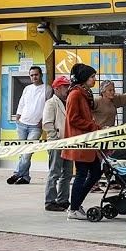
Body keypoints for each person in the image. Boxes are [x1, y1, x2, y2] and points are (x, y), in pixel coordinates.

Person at [62, 64, 102, 220]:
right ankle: (74, 208)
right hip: (80, 141)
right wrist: (94, 126)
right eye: (92, 77)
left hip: (87, 141)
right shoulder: (75, 94)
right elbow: (73, 119)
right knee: (82, 174)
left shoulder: (84, 93)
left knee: (95, 172)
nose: (94, 79)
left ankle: (76, 204)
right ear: (84, 78)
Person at [8, 66, 48, 185]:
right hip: (22, 124)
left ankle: (17, 174)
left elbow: (48, 106)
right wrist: (18, 116)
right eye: (31, 75)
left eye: (36, 74)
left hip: (35, 127)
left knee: (27, 153)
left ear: (41, 75)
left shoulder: (47, 89)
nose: (34, 77)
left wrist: (43, 120)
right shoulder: (27, 88)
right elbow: (22, 103)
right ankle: (25, 178)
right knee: (22, 152)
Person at [43, 76, 73, 213]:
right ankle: (50, 201)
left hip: (68, 143)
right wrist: (55, 139)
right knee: (54, 172)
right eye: (64, 86)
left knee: (67, 173)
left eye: (67, 86)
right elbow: (47, 123)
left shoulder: (68, 102)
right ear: (56, 88)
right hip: (56, 143)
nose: (67, 89)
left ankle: (63, 199)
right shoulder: (51, 103)